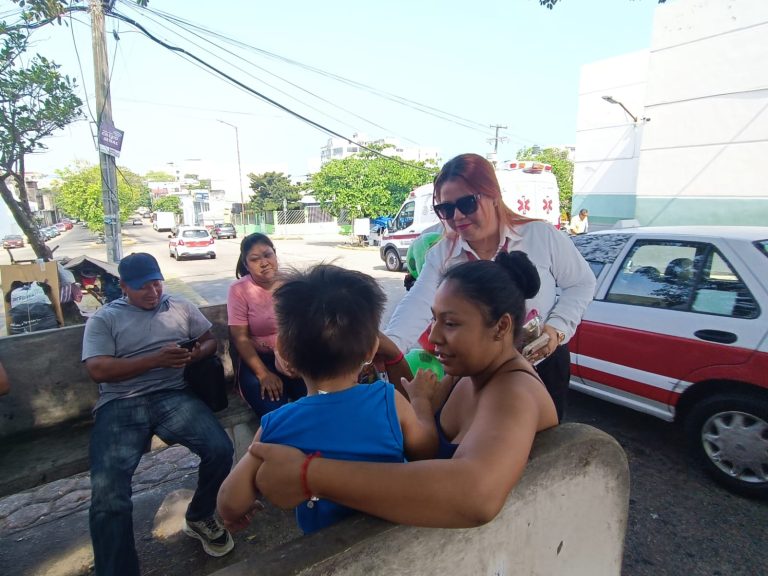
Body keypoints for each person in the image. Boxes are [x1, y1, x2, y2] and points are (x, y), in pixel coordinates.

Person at [248, 250, 558, 528]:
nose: (434, 336)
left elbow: (476, 494)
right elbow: (405, 423)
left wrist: (308, 474)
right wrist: (416, 394)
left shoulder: (514, 391)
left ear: (501, 327)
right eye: (435, 319)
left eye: (450, 324)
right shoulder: (468, 374)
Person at [217, 264, 437, 534]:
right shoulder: (388, 400)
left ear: (284, 352)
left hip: (324, 546)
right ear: (371, 349)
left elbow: (229, 503)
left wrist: (239, 506)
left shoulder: (277, 424)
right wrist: (422, 402)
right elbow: (426, 451)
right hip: (390, 532)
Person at [384, 153, 596, 419]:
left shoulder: (540, 236)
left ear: (493, 195)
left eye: (467, 203)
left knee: (538, 451)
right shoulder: (444, 253)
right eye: (446, 209)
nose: (457, 216)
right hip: (473, 370)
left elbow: (582, 283)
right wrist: (387, 348)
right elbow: (418, 304)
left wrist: (557, 329)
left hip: (540, 363)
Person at [82, 253, 234, 576]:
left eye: (156, 283)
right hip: (121, 402)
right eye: (142, 288)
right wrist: (155, 360)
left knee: (220, 449)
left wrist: (193, 355)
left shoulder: (179, 307)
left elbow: (210, 342)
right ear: (123, 286)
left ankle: (200, 514)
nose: (153, 293)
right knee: (109, 495)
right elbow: (97, 369)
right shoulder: (105, 319)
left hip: (173, 395)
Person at [227, 233, 306, 416]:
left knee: (317, 402)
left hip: (292, 354)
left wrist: (299, 360)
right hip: (258, 359)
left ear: (275, 254)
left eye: (267, 255)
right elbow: (240, 337)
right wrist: (263, 374)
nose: (264, 263)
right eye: (255, 259)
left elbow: (305, 325)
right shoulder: (239, 290)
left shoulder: (291, 283)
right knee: (275, 413)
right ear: (246, 265)